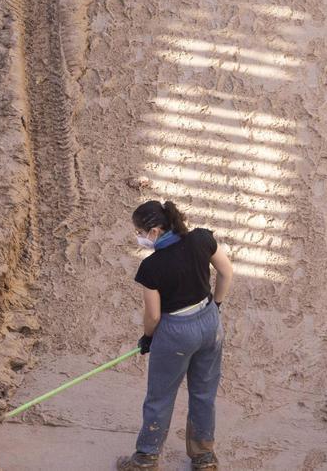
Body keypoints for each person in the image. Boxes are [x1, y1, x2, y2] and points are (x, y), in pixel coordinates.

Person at [117, 200, 233, 471]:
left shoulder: (151, 268)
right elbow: (226, 273)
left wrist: (148, 338)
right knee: (204, 392)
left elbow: (154, 316)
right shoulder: (202, 238)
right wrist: (215, 306)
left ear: (155, 231)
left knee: (160, 395)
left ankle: (145, 458)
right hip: (209, 324)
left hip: (175, 333)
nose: (139, 237)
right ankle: (204, 458)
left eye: (140, 232)